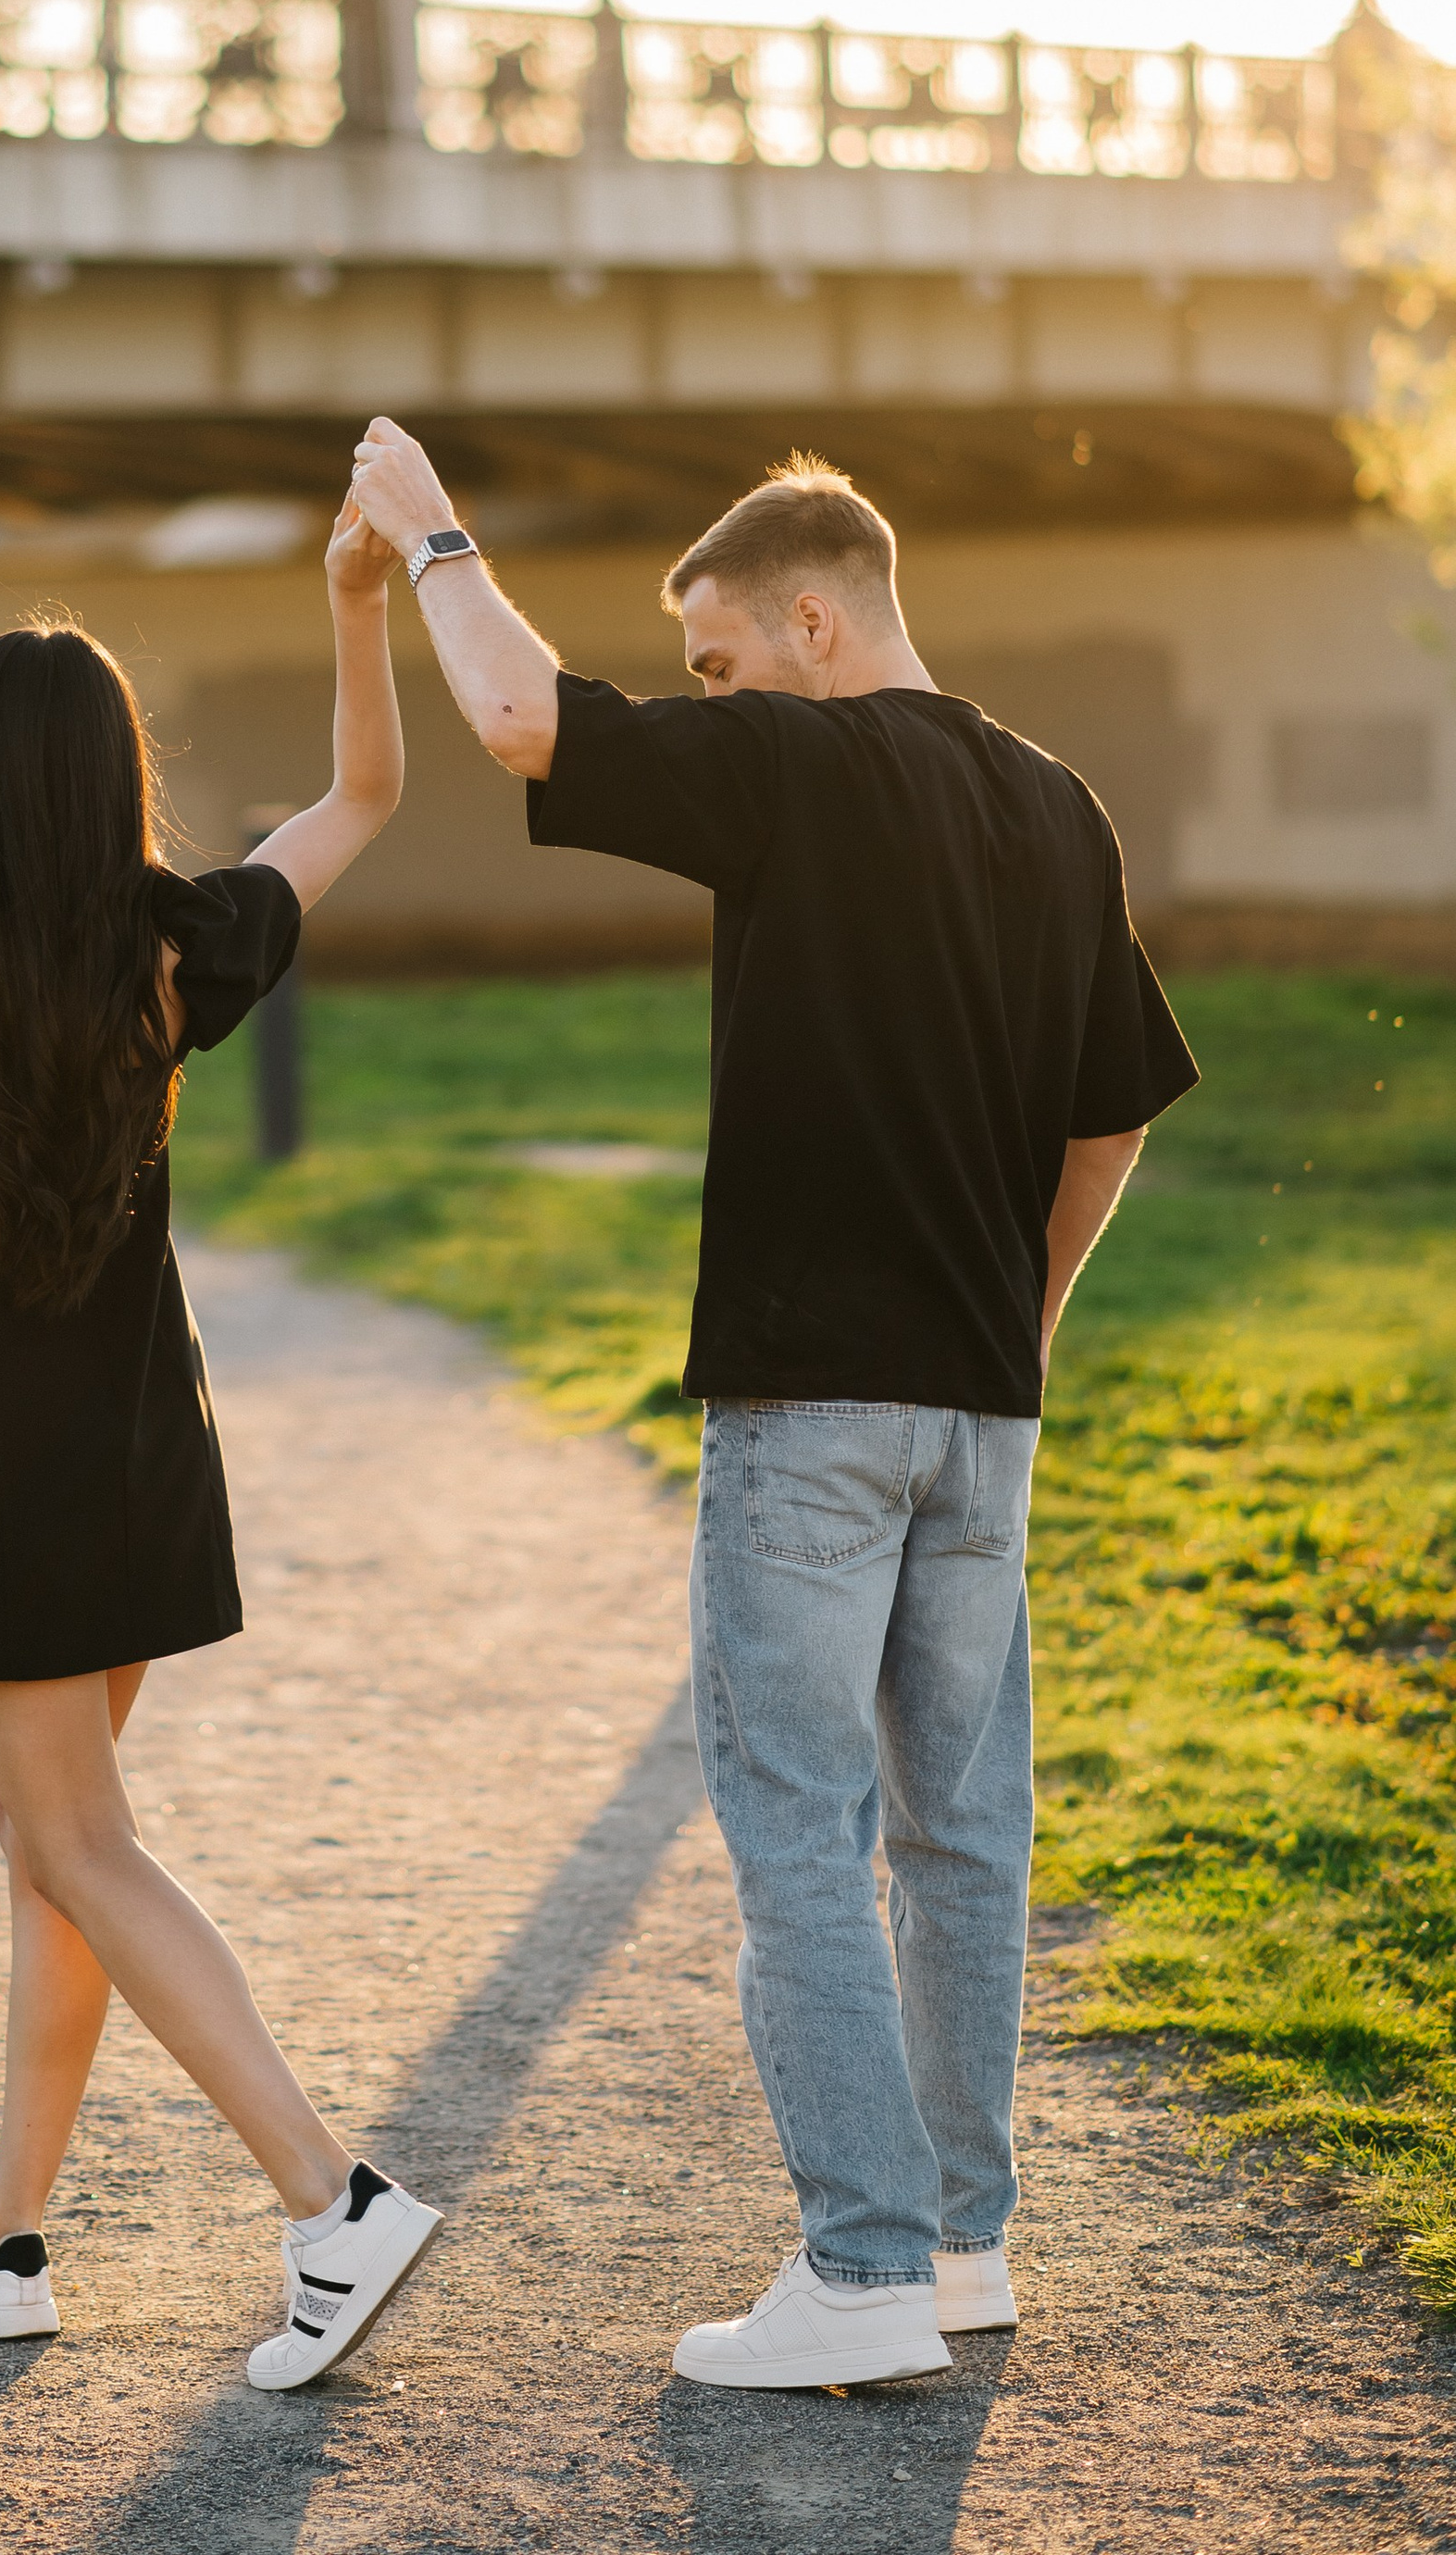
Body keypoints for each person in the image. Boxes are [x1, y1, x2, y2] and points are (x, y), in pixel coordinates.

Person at [345, 421, 1197, 2393]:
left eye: (718, 660)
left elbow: (516, 716)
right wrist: (1023, 1319)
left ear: (814, 620)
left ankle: (862, 2267)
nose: (707, 698)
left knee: (801, 1829)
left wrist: (431, 530)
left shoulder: (798, 766)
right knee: (960, 1834)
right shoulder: (1058, 805)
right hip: (980, 1411)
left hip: (811, 1401)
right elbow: (1110, 1119)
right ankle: (959, 2248)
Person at [0, 504, 441, 2391]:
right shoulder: (175, 941)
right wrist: (352, 604)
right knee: (52, 1845)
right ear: (108, 779)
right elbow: (366, 794)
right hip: (153, 1440)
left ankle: (332, 2200)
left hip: (12, 1468)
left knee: (74, 1839)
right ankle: (3, 2241)